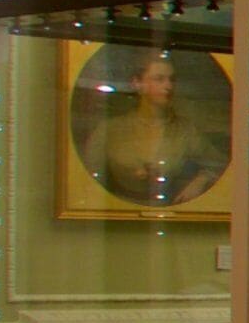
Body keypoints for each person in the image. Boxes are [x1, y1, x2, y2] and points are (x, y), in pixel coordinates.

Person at [85, 47, 229, 207]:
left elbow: (217, 164)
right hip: (115, 213)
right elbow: (88, 177)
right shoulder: (110, 128)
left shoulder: (184, 130)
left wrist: (200, 181)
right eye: (159, 79)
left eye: (171, 79)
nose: (168, 86)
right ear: (137, 83)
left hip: (167, 211)